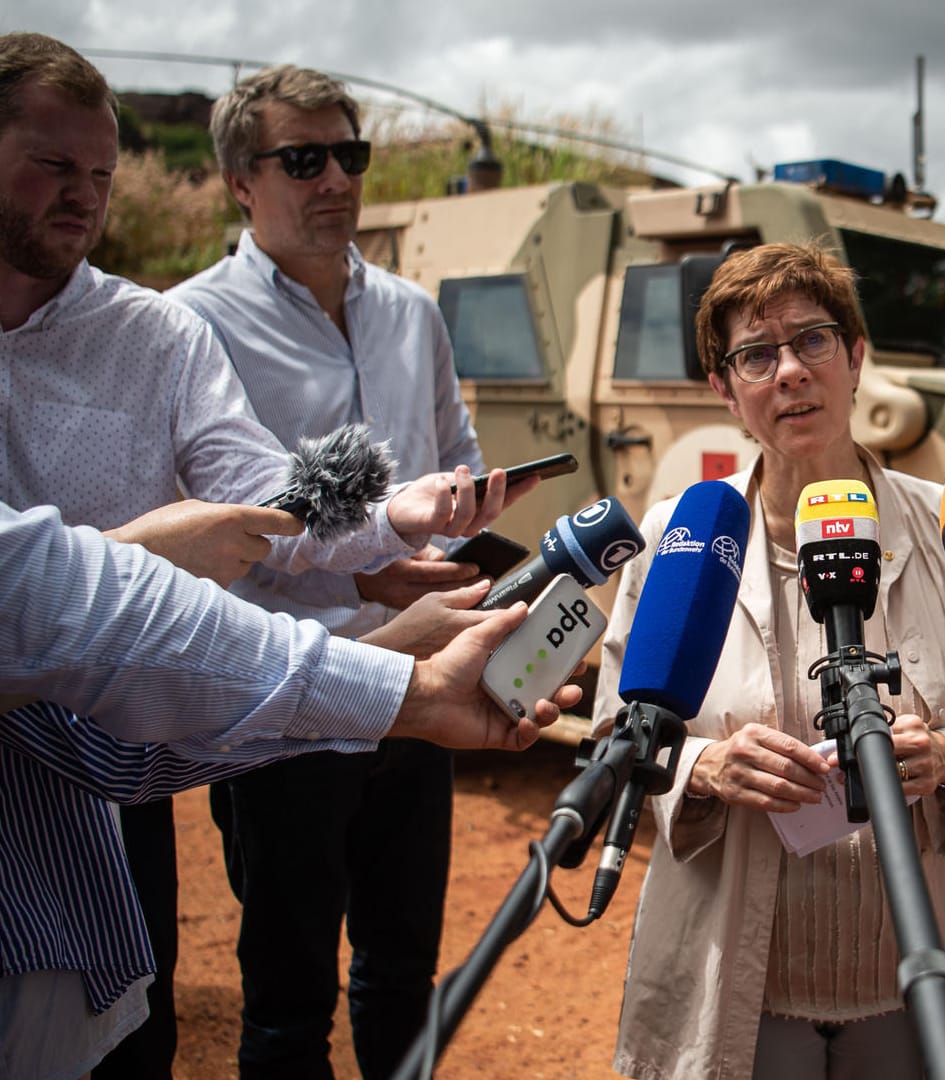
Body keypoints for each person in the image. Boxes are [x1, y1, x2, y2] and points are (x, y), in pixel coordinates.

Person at [0, 32, 518, 1080]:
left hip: (118, 769)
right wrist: (149, 548)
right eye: (53, 167)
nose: (84, 198)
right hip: (264, 697)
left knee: (128, 1036)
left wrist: (398, 514)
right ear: (242, 183)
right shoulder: (203, 313)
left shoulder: (150, 335)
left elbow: (263, 487)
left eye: (100, 175)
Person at [592, 242, 945, 1080]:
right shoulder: (677, 542)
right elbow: (617, 728)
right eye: (756, 355)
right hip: (742, 985)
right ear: (724, 390)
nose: (790, 372)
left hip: (914, 978)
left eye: (813, 341)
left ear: (857, 357)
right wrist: (705, 766)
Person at [0, 499, 577, 1080]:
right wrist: (406, 672)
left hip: (62, 979)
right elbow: (65, 599)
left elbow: (111, 751)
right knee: (289, 998)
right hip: (317, 724)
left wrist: (405, 677)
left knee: (400, 966)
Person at [165, 64, 486, 1080]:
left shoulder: (412, 314)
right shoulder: (185, 326)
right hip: (280, 699)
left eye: (350, 155)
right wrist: (360, 582)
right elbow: (202, 540)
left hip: (417, 688)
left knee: (401, 976)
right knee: (288, 1001)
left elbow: (455, 453)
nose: (336, 180)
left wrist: (455, 534)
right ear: (238, 182)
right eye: (303, 159)